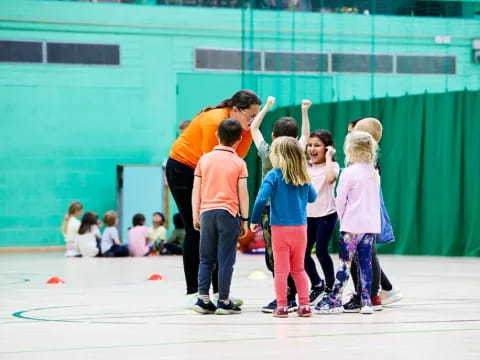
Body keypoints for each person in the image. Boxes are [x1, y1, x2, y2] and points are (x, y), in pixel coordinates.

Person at [165, 90, 261, 308]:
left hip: (207, 169)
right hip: (183, 168)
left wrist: (250, 130)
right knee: (195, 228)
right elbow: (214, 164)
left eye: (256, 116)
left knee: (218, 233)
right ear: (236, 110)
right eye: (251, 116)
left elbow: (234, 163)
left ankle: (220, 293)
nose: (253, 120)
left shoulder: (242, 129)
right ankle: (194, 293)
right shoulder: (214, 122)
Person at [249, 97, 311, 313]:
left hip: (271, 213)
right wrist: (304, 112)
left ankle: (283, 299)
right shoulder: (297, 155)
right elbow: (305, 136)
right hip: (297, 216)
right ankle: (300, 299)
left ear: (273, 136)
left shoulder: (268, 154)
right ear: (295, 141)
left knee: (275, 258)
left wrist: (266, 106)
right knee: (298, 263)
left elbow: (253, 128)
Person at [316, 131, 380, 315]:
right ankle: (366, 300)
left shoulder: (349, 173)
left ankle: (335, 299)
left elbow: (340, 199)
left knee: (345, 263)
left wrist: (343, 219)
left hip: (351, 226)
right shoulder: (374, 173)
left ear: (350, 149)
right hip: (369, 226)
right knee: (365, 262)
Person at [343, 117, 403, 312]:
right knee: (368, 256)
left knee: (362, 257)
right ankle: (374, 294)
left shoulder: (363, 166)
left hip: (360, 219)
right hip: (366, 217)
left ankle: (367, 295)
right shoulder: (369, 164)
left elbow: (344, 196)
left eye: (352, 133)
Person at [192, 118, 249, 315]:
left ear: (217, 135)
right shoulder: (239, 162)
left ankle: (202, 298)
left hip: (206, 213)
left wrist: (195, 214)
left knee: (206, 258)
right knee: (226, 259)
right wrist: (244, 218)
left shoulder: (204, 159)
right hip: (229, 213)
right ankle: (223, 300)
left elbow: (196, 189)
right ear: (239, 139)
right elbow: (243, 192)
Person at [304, 129, 339, 304]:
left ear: (327, 148)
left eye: (317, 145)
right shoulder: (305, 166)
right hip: (308, 216)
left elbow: (331, 179)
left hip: (326, 215)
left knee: (322, 252)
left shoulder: (332, 166)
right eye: (310, 145)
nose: (312, 148)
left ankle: (330, 288)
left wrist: (328, 158)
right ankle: (317, 283)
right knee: (303, 254)